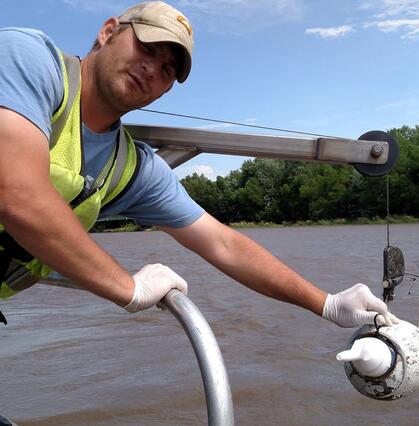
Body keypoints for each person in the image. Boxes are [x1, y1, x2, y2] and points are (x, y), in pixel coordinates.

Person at [0, 1, 398, 327]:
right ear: (107, 32)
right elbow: (18, 194)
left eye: (168, 69)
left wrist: (326, 303)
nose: (152, 69)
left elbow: (223, 243)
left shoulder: (133, 168)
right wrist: (128, 288)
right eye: (147, 48)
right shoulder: (28, 60)